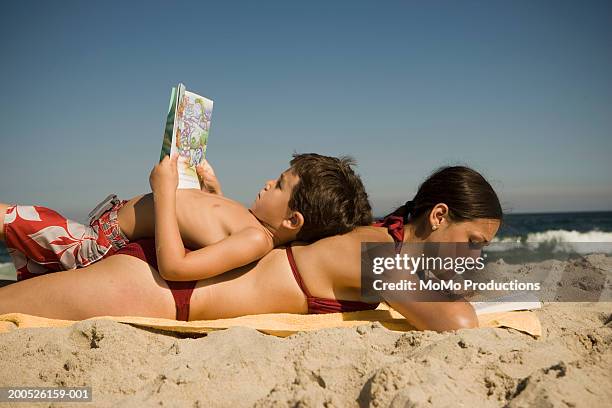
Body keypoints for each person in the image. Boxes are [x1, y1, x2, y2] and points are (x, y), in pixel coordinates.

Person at [0, 165, 502, 331]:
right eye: (474, 243)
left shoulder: (368, 239)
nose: (474, 256)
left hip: (168, 281)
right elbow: (457, 323)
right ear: (438, 216)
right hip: (158, 288)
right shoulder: (375, 251)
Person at [3, 153, 372, 282]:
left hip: (96, 246)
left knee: (11, 218)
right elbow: (215, 227)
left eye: (279, 185)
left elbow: (176, 266)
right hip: (101, 230)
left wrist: (164, 192)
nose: (268, 181)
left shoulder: (257, 240)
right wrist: (213, 190)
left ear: (292, 221)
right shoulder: (252, 226)